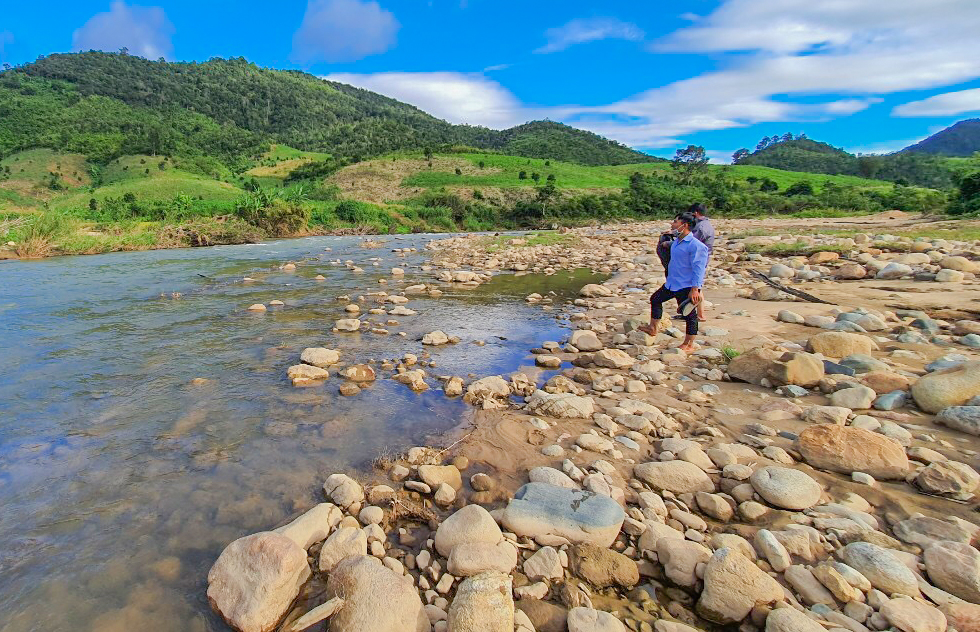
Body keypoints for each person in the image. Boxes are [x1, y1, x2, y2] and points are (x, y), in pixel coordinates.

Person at [639, 212, 709, 352]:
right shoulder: (677, 241)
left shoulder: (696, 246)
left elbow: (699, 269)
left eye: (676, 222)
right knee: (655, 299)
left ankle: (689, 344)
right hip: (672, 282)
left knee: (689, 314)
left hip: (686, 285)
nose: (673, 224)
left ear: (685, 225)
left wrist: (695, 289)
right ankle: (653, 328)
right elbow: (668, 245)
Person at [689, 203, 715, 321]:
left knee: (696, 287)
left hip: (698, 259)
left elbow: (691, 242)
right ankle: (697, 313)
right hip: (702, 258)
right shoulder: (706, 224)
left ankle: (700, 314)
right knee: (697, 286)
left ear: (695, 213)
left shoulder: (700, 227)